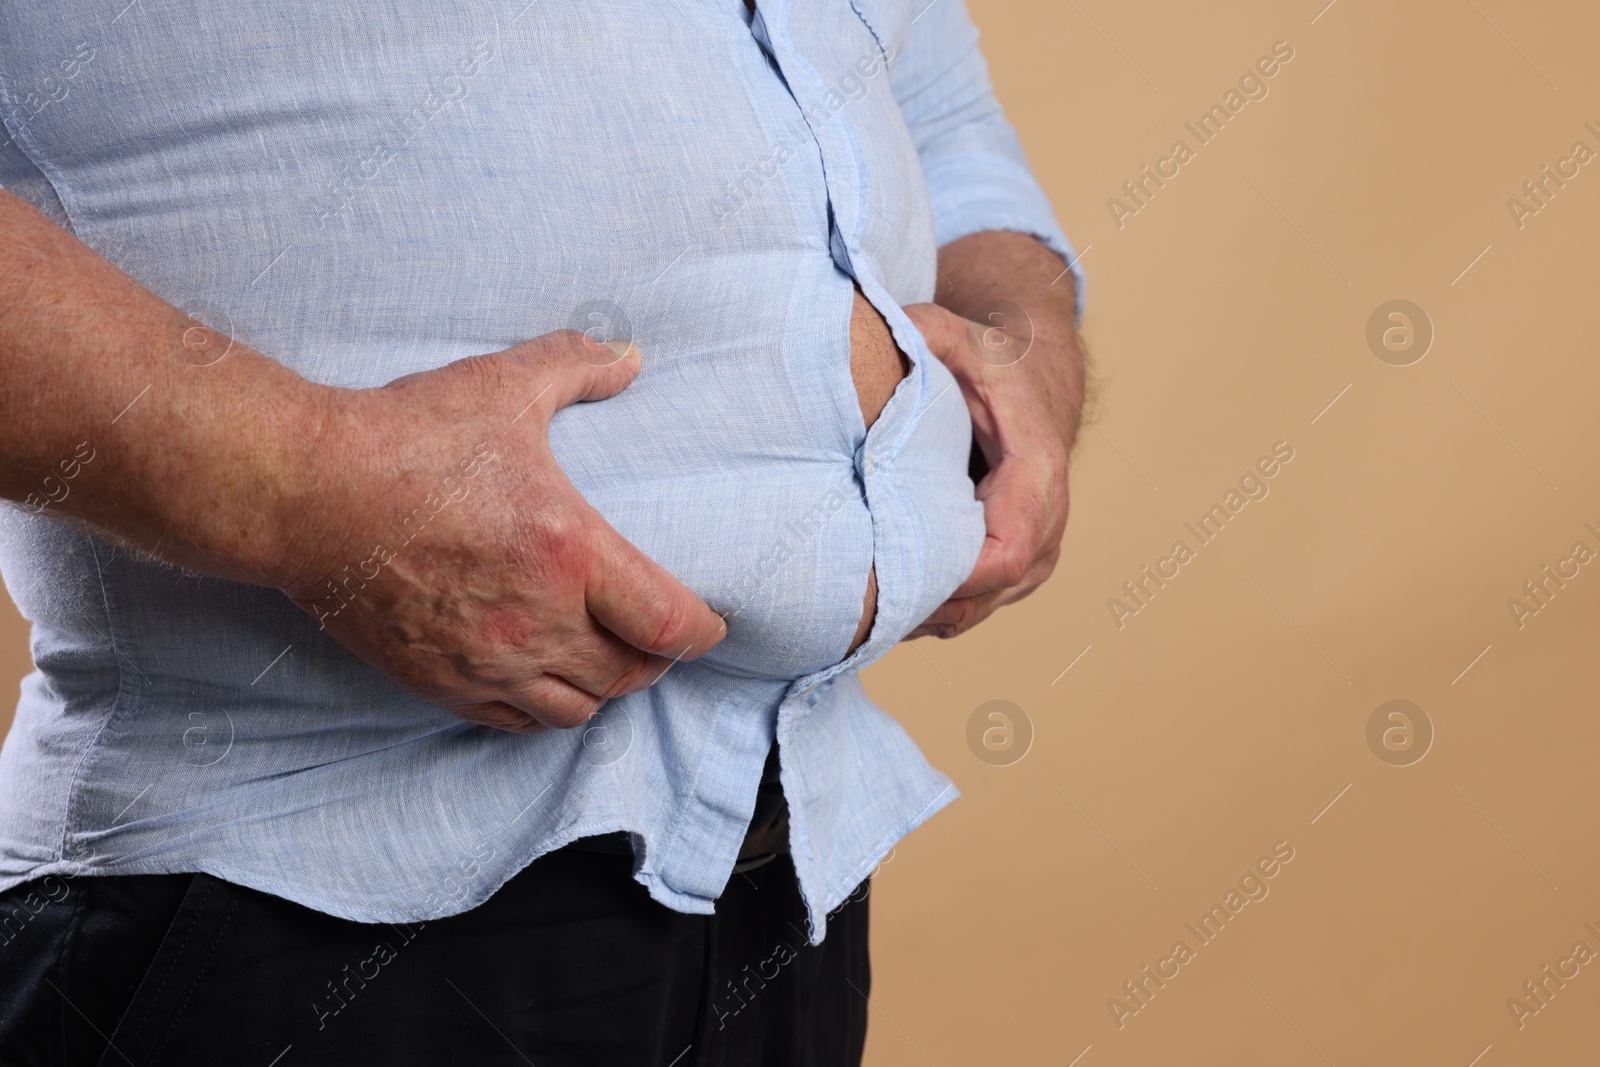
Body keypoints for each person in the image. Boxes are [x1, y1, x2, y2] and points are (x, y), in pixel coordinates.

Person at [0, 0, 1085, 1063]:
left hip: (787, 863)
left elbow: (932, 102)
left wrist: (1026, 350)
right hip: (287, 897)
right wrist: (306, 486)